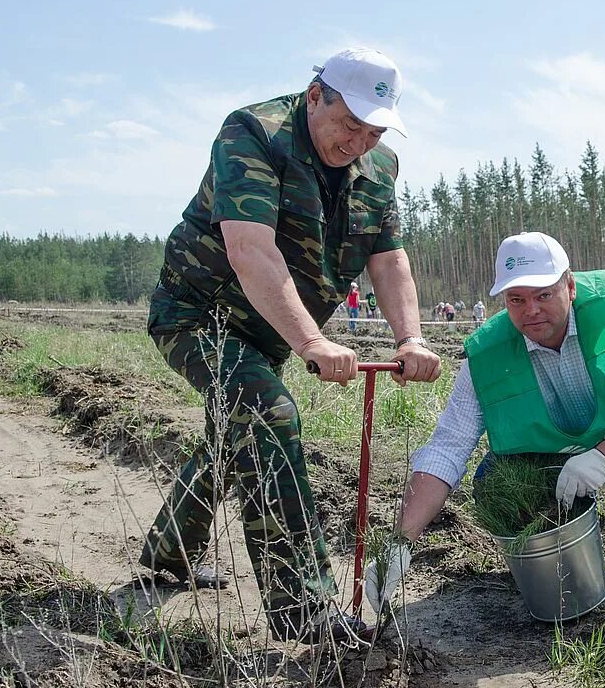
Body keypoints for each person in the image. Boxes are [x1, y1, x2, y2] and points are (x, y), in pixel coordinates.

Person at [139, 47, 442, 644]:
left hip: (265, 330)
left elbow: (389, 260)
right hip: (200, 316)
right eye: (349, 123)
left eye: (373, 129)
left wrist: (410, 336)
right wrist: (311, 339)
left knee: (237, 429)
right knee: (268, 414)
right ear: (314, 96)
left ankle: (169, 553)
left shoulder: (380, 169)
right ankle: (302, 606)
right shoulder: (253, 133)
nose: (358, 141)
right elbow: (250, 249)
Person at [364, 232, 605, 611]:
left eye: (544, 295)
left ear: (570, 286)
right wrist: (400, 543)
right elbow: (448, 448)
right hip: (545, 452)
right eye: (517, 299)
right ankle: (552, 577)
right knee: (492, 481)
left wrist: (601, 458)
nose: (531, 310)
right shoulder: (486, 355)